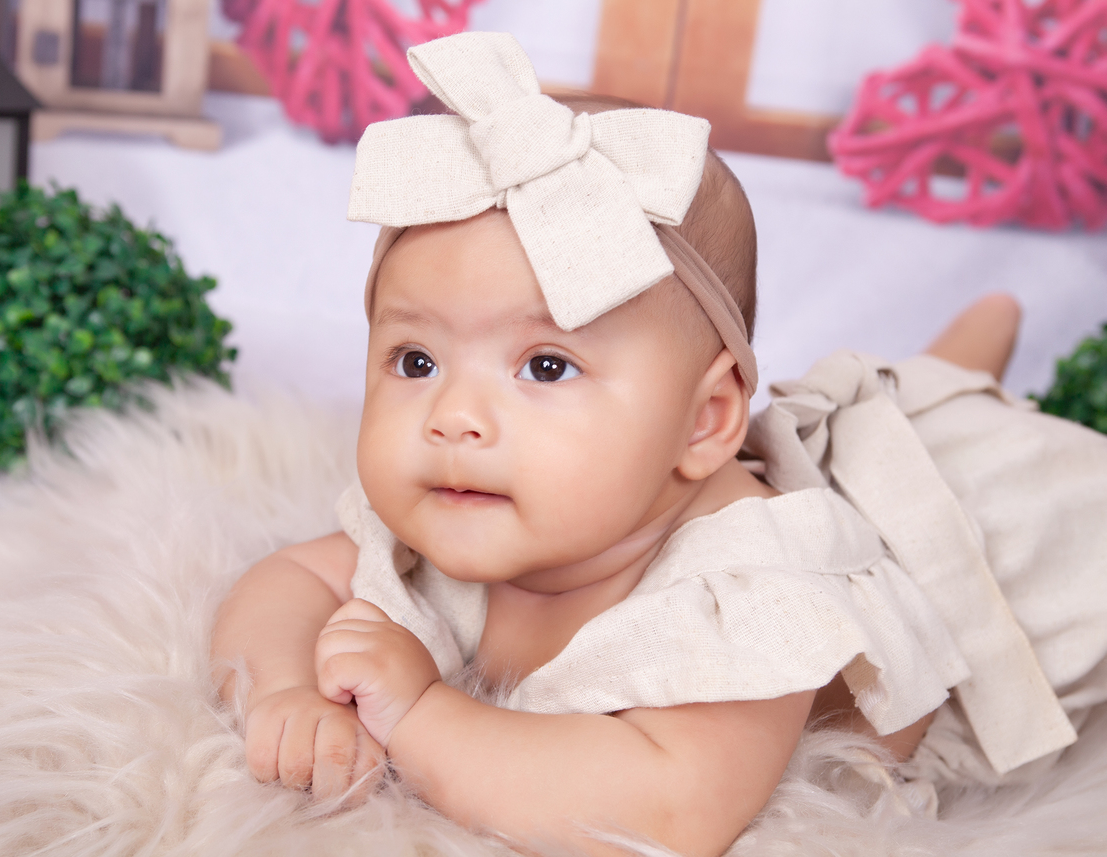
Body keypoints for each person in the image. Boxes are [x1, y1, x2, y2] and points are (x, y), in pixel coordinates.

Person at [211, 32, 1107, 857]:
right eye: (416, 360)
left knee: (987, 472)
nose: (453, 415)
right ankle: (955, 360)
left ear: (705, 422)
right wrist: (286, 690)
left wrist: (418, 712)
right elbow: (288, 580)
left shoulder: (746, 596)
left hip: (989, 529)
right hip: (838, 470)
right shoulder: (459, 507)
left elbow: (668, 810)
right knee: (893, 420)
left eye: (546, 366)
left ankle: (962, 376)